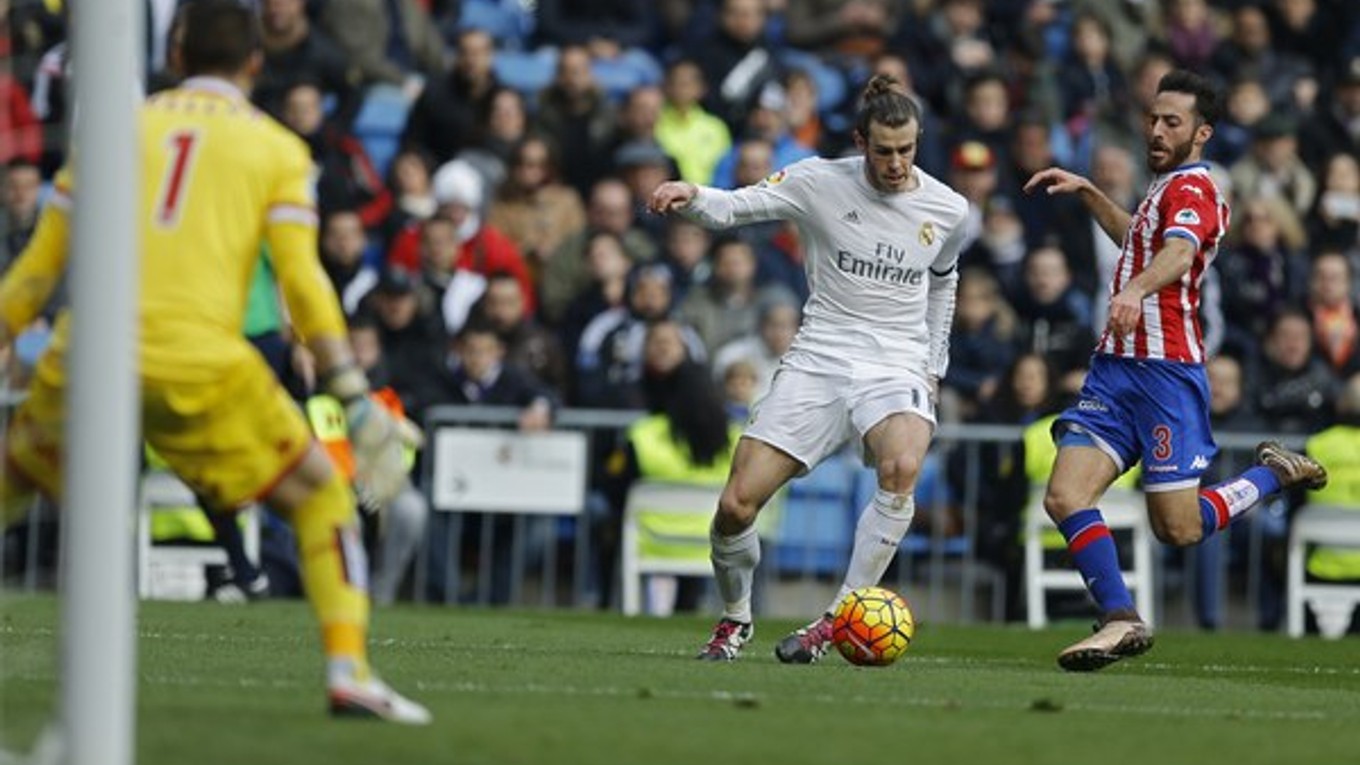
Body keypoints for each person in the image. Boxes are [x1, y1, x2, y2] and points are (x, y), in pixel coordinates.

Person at [0, 2, 429, 722]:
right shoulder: (276, 149)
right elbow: (303, 282)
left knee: (9, 484)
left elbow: (35, 276)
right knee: (323, 497)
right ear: (256, 63)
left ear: (174, 52)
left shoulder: (113, 128)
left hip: (92, 360)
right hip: (202, 366)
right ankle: (349, 671)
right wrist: (351, 393)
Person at [648, 74, 971, 663]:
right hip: (821, 353)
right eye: (884, 151)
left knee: (901, 465)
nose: (897, 164)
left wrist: (933, 366)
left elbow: (943, 284)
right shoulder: (817, 180)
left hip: (896, 359)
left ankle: (837, 618)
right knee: (736, 506)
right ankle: (735, 619)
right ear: (860, 141)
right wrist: (691, 193)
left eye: (907, 150)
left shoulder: (949, 208)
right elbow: (735, 207)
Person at [1022, 69, 1328, 672]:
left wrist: (1134, 289)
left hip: (1166, 376)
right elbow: (1139, 242)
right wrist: (1089, 193)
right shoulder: (1161, 189)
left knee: (1179, 530)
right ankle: (1121, 618)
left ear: (1202, 132)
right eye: (1153, 118)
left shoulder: (1197, 190)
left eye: (1173, 122)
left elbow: (1178, 253)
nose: (1157, 130)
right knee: (1064, 495)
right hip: (1115, 370)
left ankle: (1272, 474)